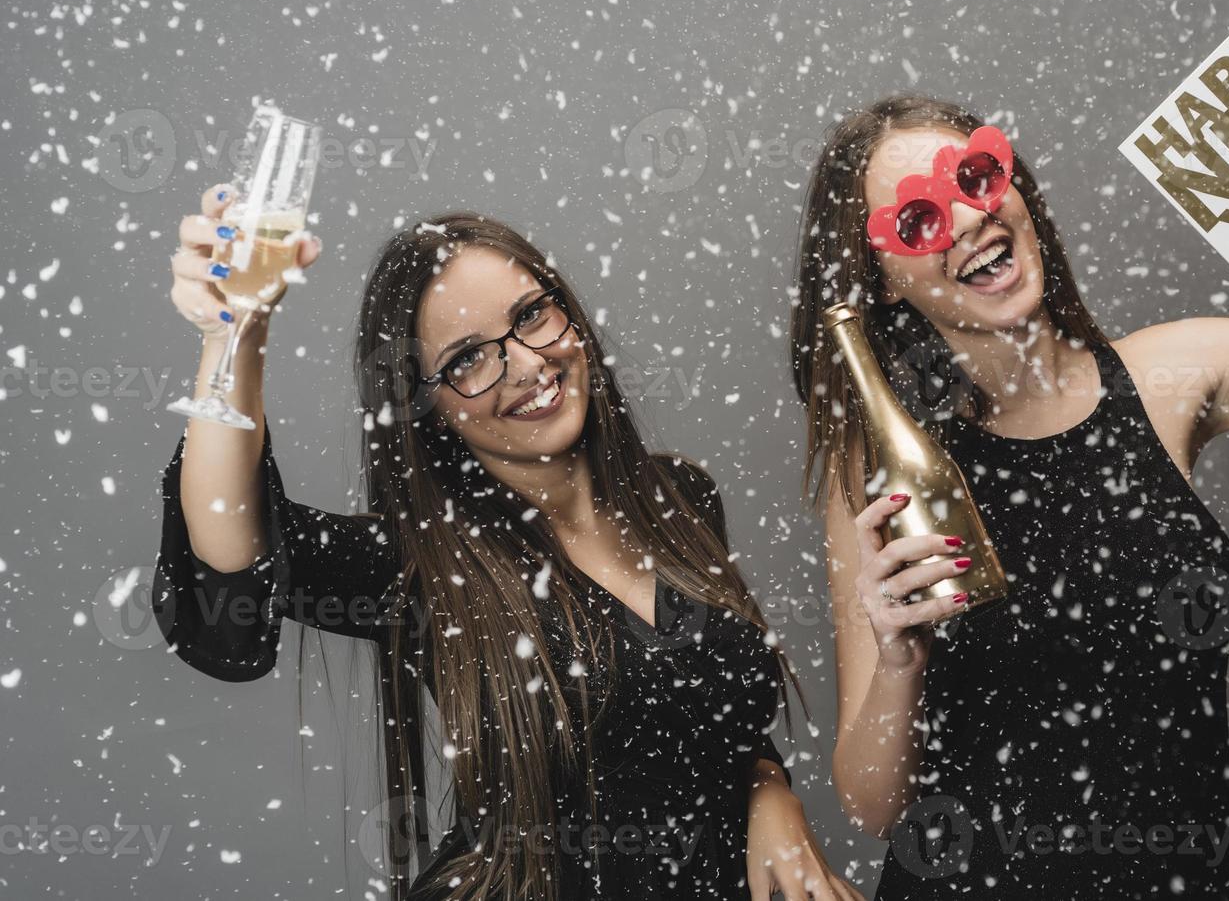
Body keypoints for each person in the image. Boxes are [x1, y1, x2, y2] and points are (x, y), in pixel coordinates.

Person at [789, 47, 1229, 898]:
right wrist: (898, 662)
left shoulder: (1172, 376)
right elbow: (872, 805)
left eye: (978, 177)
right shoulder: (882, 469)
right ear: (881, 284)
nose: (964, 221)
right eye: (915, 221)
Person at [155, 197, 861, 901]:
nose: (526, 364)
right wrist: (235, 333)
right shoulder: (415, 564)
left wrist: (769, 793)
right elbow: (226, 542)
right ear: (427, 410)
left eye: (530, 315)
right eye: (466, 360)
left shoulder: (678, 496)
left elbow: (695, 715)